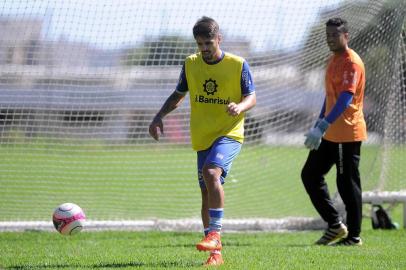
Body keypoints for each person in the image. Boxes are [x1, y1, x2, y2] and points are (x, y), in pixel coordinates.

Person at [149, 16, 256, 265]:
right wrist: (158, 117)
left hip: (229, 133)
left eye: (208, 43)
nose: (204, 48)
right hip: (202, 135)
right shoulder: (190, 64)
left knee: (211, 174)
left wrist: (239, 107)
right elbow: (178, 95)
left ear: (219, 39)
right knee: (205, 192)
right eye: (200, 44)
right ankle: (215, 254)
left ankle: (215, 236)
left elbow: (252, 97)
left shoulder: (238, 64)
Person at [301, 17, 366, 246]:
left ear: (346, 36)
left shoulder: (352, 62)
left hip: (347, 134)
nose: (330, 39)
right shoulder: (333, 60)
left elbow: (346, 99)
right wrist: (318, 124)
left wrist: (323, 125)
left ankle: (354, 236)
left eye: (335, 35)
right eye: (328, 35)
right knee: (310, 174)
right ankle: (335, 225)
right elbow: (330, 98)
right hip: (329, 133)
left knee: (347, 183)